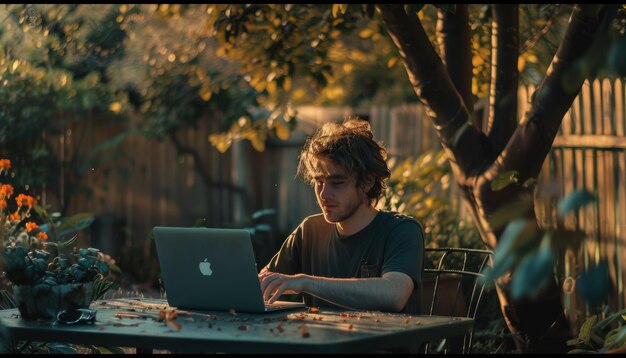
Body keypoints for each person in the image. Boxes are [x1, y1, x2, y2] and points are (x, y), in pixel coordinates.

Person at [259, 117, 424, 314]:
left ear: (367, 182)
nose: (323, 194)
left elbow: (395, 294)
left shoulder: (401, 230)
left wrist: (305, 282)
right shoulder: (310, 230)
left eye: (337, 183)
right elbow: (262, 284)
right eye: (319, 182)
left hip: (380, 344)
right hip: (317, 342)